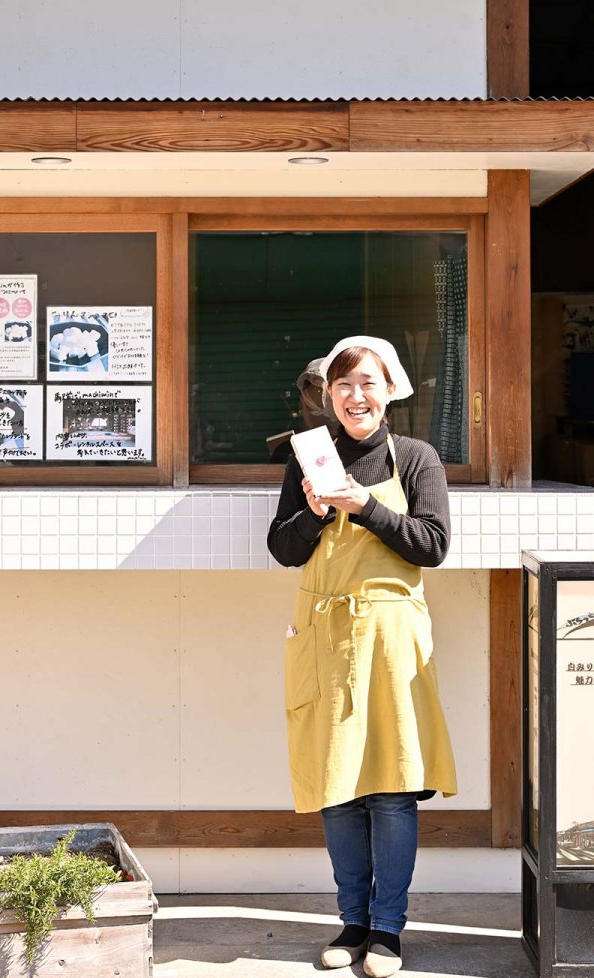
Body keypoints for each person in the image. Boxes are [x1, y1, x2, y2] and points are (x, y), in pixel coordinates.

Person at [267, 336, 457, 977]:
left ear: (390, 390)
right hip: (324, 633)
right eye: (343, 385)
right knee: (338, 790)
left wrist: (365, 507)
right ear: (328, 395)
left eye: (367, 383)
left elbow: (431, 546)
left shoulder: (418, 457)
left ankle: (387, 931)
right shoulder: (308, 457)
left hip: (393, 638)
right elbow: (283, 549)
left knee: (393, 790)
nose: (355, 396)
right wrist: (316, 513)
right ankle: (350, 923)